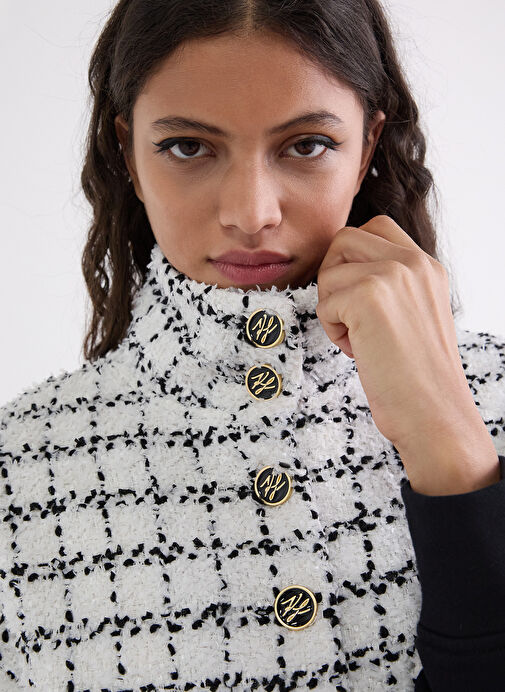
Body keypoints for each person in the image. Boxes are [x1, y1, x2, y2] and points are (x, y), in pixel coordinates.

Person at [1, 0, 504, 690]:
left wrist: (449, 444)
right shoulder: (21, 471)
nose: (251, 213)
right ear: (127, 153)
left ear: (367, 147)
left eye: (306, 145)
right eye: (188, 147)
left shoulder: (493, 394)